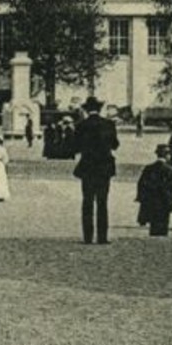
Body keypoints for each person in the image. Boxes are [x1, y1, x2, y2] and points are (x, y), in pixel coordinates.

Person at [72, 97, 120, 244]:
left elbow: (76, 147)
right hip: (104, 167)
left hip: (87, 167)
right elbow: (115, 145)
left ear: (86, 110)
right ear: (99, 109)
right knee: (102, 202)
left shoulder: (81, 125)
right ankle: (102, 237)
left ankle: (87, 237)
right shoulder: (109, 124)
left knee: (87, 201)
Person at [136, 144, 172, 237]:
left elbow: (141, 184)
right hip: (166, 199)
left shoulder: (149, 168)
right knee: (164, 220)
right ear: (167, 155)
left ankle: (154, 234)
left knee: (154, 220)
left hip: (152, 199)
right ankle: (162, 235)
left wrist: (141, 197)